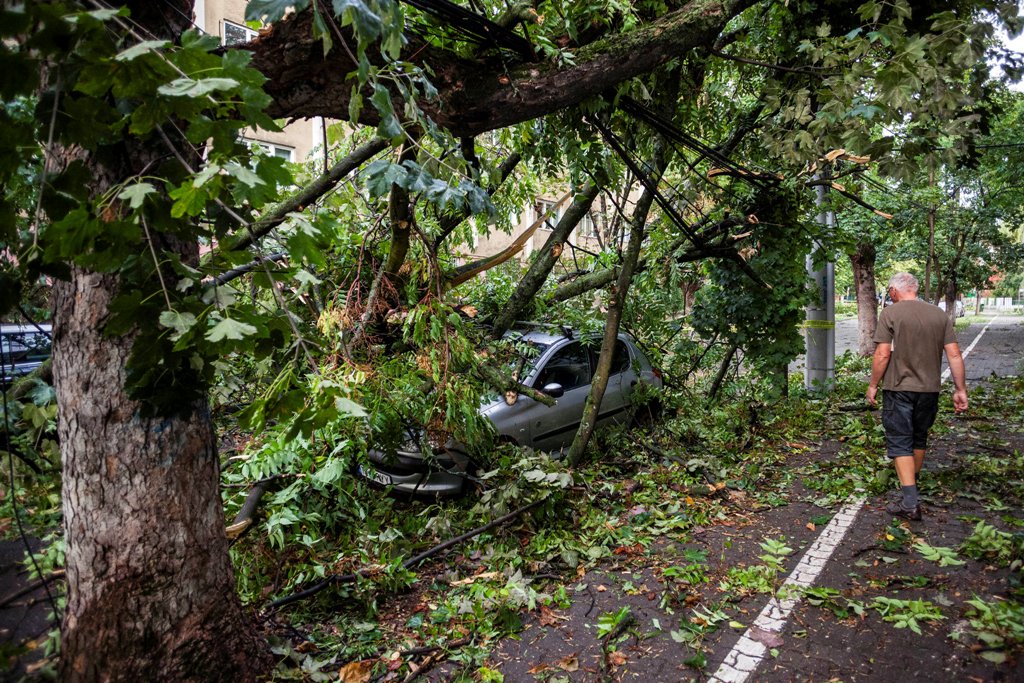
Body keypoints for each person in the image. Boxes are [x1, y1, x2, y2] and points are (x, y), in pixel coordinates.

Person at [866, 272, 968, 520]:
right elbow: (954, 355)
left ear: (893, 291)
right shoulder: (938, 314)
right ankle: (911, 485)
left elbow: (882, 354)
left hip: (899, 388)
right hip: (929, 390)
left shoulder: (890, 313)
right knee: (918, 437)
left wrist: (873, 385)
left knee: (900, 440)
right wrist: (960, 389)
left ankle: (910, 502)